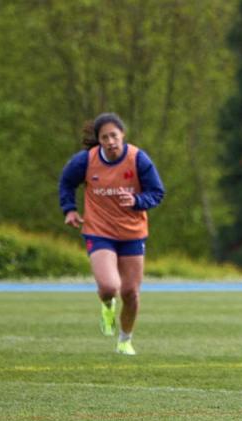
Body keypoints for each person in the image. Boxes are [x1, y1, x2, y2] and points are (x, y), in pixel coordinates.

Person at [59, 113, 165, 356]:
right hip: (99, 231)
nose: (110, 141)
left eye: (114, 136)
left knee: (130, 292)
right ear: (98, 140)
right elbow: (66, 183)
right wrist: (70, 210)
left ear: (122, 135)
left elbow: (157, 192)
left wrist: (138, 200)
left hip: (132, 233)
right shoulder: (85, 161)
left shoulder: (138, 159)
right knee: (109, 286)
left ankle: (125, 340)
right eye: (104, 137)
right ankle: (107, 306)